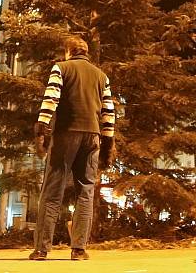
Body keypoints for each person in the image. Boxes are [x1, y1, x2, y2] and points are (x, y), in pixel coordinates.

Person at [29, 36, 116, 261]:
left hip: (66, 133)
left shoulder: (61, 68)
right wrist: (107, 143)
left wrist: (42, 129)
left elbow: (51, 99)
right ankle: (78, 249)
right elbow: (108, 113)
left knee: (52, 190)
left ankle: (41, 249)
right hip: (93, 136)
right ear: (85, 52)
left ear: (68, 52)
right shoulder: (101, 76)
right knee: (85, 191)